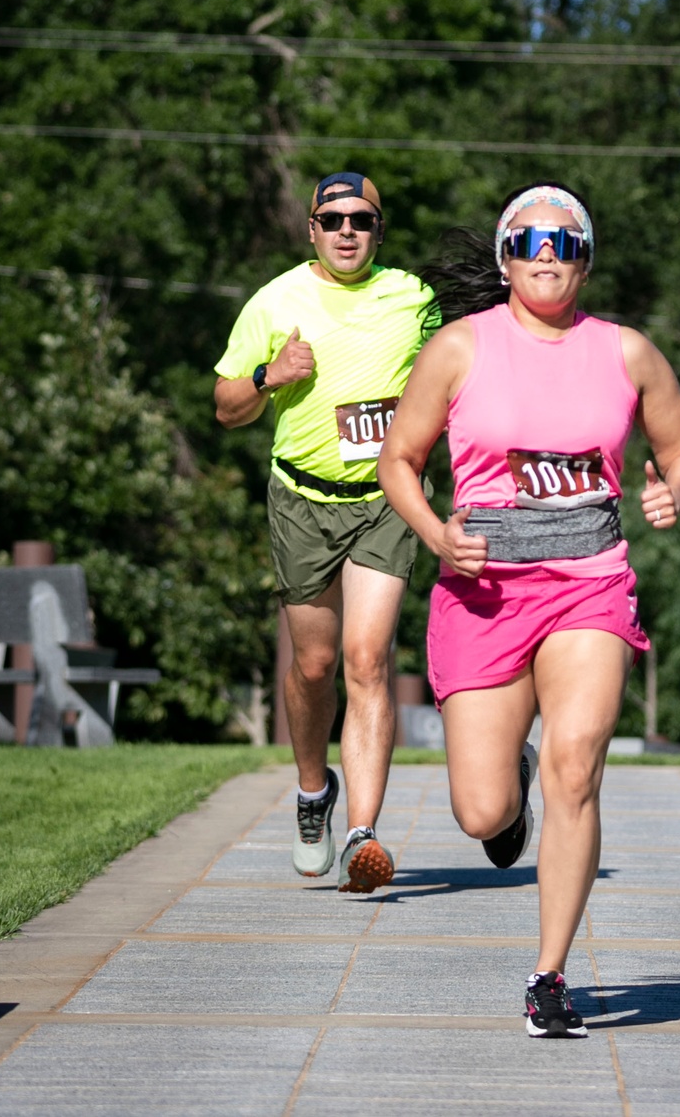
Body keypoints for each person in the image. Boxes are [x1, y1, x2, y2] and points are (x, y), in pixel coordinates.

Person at [378, 182, 680, 1037]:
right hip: (482, 592)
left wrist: (676, 489)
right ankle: (509, 788)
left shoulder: (627, 353)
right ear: (505, 257)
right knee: (482, 814)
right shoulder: (458, 348)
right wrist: (437, 536)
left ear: (587, 258)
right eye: (530, 242)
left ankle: (550, 974)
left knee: (577, 764)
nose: (547, 254)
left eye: (565, 242)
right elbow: (399, 463)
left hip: (589, 583)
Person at [214, 171, 436, 893]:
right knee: (314, 667)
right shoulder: (275, 300)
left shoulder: (414, 298)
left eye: (362, 221)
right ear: (311, 229)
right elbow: (224, 407)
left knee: (367, 658)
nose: (348, 231)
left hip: (384, 498)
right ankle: (315, 791)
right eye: (333, 219)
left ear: (380, 230)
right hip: (302, 500)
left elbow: (471, 364)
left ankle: (364, 837)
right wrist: (268, 375)